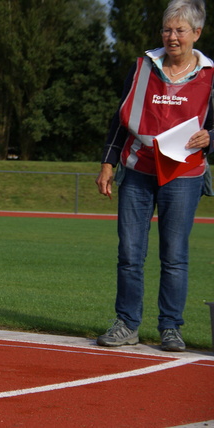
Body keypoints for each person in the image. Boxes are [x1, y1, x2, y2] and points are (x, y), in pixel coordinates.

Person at [95, 0, 213, 352]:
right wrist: (108, 162)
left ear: (197, 33)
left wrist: (212, 137)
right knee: (130, 253)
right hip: (137, 170)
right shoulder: (143, 66)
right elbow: (120, 118)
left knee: (174, 255)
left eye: (180, 30)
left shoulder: (210, 74)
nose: (172, 37)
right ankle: (126, 324)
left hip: (184, 175)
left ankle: (170, 328)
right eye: (167, 29)